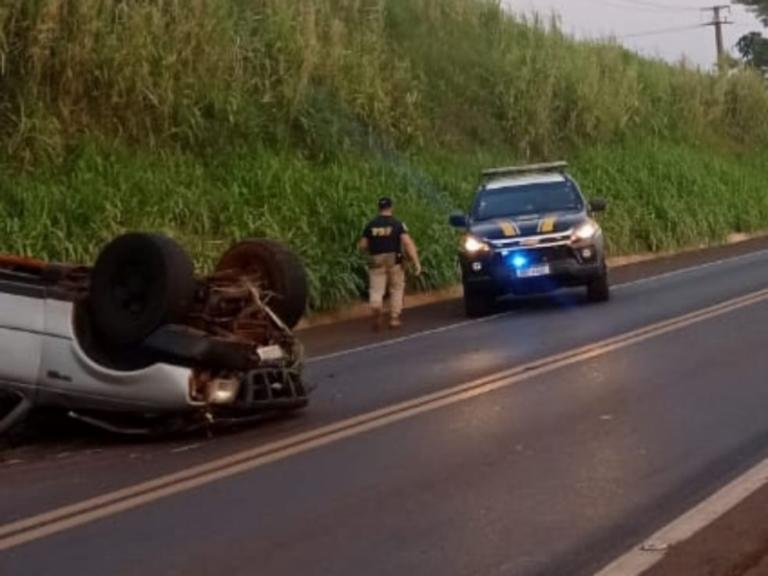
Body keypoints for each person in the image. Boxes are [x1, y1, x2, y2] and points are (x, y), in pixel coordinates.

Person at [358, 196, 422, 330]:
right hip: (394, 260)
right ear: (391, 207)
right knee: (396, 288)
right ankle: (394, 318)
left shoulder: (371, 225)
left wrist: (370, 250)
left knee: (376, 289)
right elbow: (407, 243)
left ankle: (376, 305)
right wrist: (416, 262)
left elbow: (362, 245)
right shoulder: (397, 224)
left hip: (376, 260)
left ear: (379, 208)